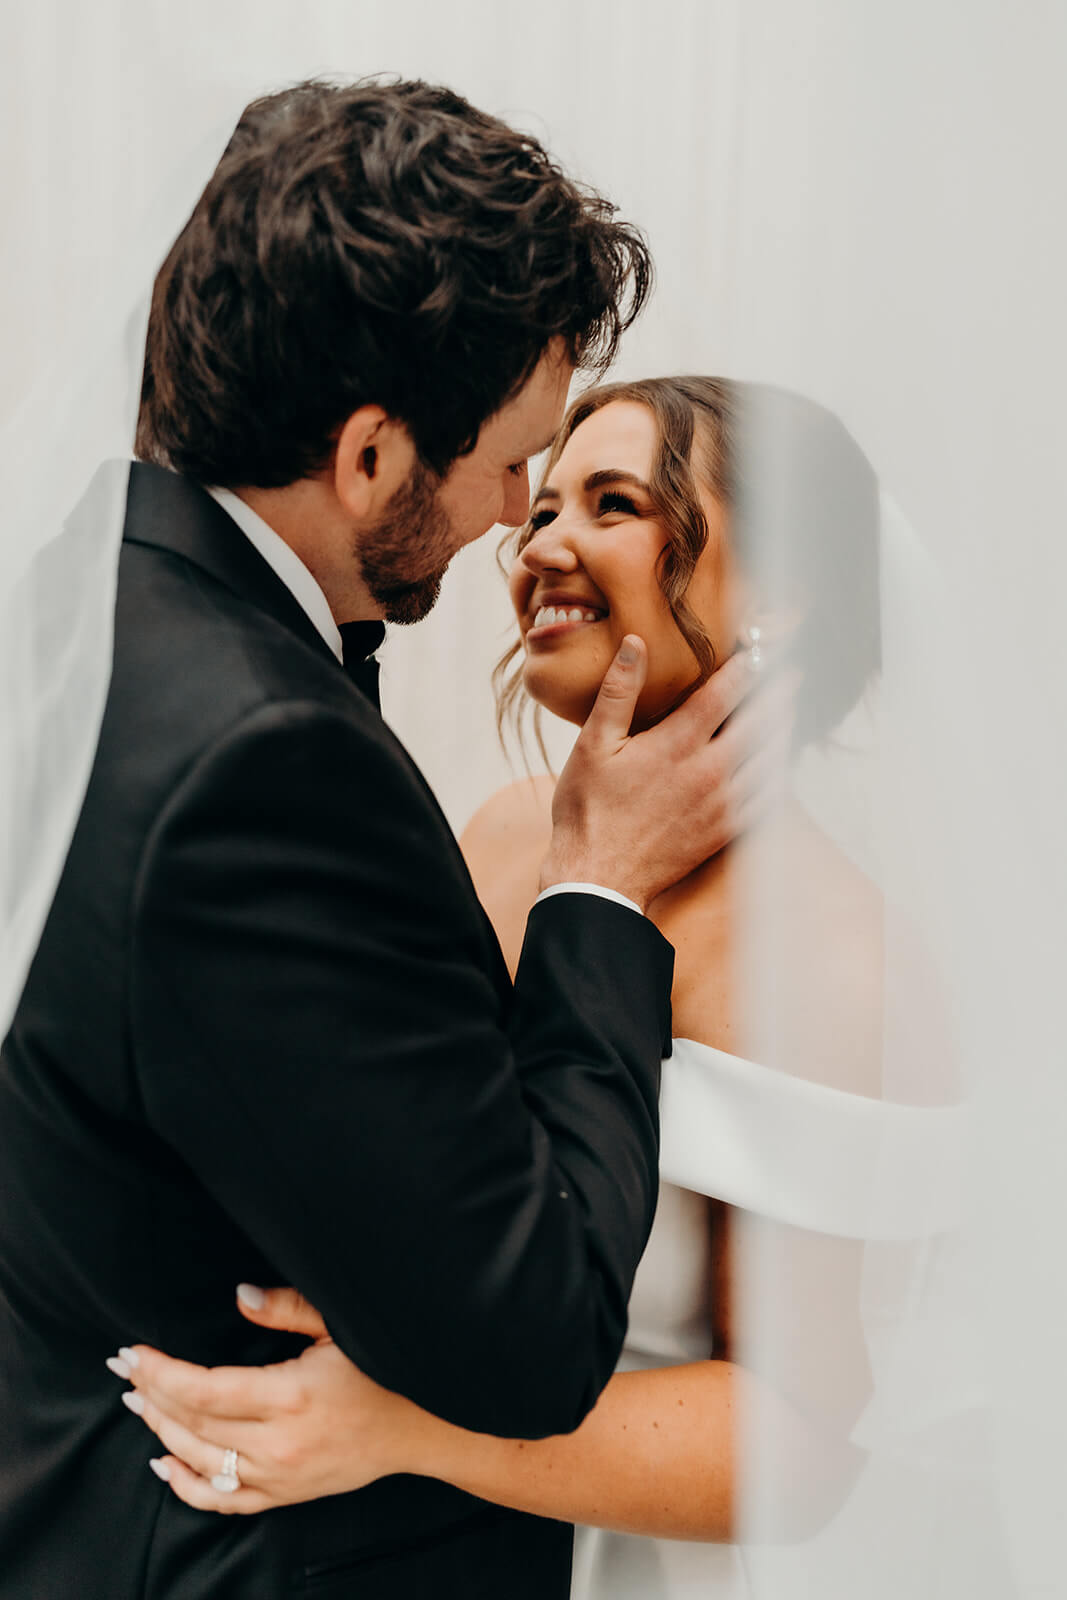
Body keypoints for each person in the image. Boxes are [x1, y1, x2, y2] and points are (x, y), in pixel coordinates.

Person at [0, 90, 771, 1600]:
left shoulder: (75, 613)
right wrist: (596, 891)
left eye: (590, 495)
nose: (513, 524)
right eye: (512, 468)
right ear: (365, 456)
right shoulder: (268, 765)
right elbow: (529, 1327)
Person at [115, 376, 926, 1598]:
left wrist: (400, 1424)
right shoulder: (499, 839)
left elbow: (802, 1441)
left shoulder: (821, 950)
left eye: (611, 503)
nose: (540, 542)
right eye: (540, 506)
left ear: (787, 587)